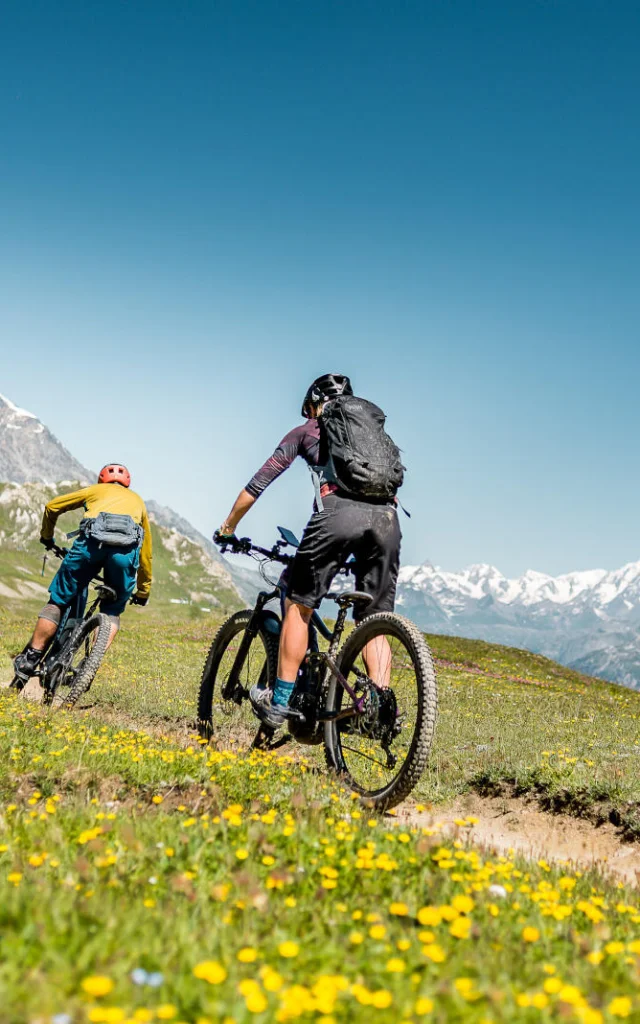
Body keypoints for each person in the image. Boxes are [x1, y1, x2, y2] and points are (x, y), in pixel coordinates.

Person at [218, 373, 403, 729]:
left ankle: (280, 701)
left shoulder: (306, 431)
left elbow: (259, 482)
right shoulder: (372, 438)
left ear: (314, 405)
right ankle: (377, 709)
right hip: (387, 522)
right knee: (373, 618)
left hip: (337, 517)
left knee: (299, 605)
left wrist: (228, 528)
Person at [12, 463, 153, 685]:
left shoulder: (95, 491)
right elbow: (146, 552)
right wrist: (143, 590)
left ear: (102, 480)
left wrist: (47, 537)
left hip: (89, 549)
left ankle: (30, 658)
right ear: (127, 483)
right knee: (112, 611)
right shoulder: (138, 501)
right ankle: (88, 668)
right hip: (124, 557)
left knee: (57, 601)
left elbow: (52, 506)